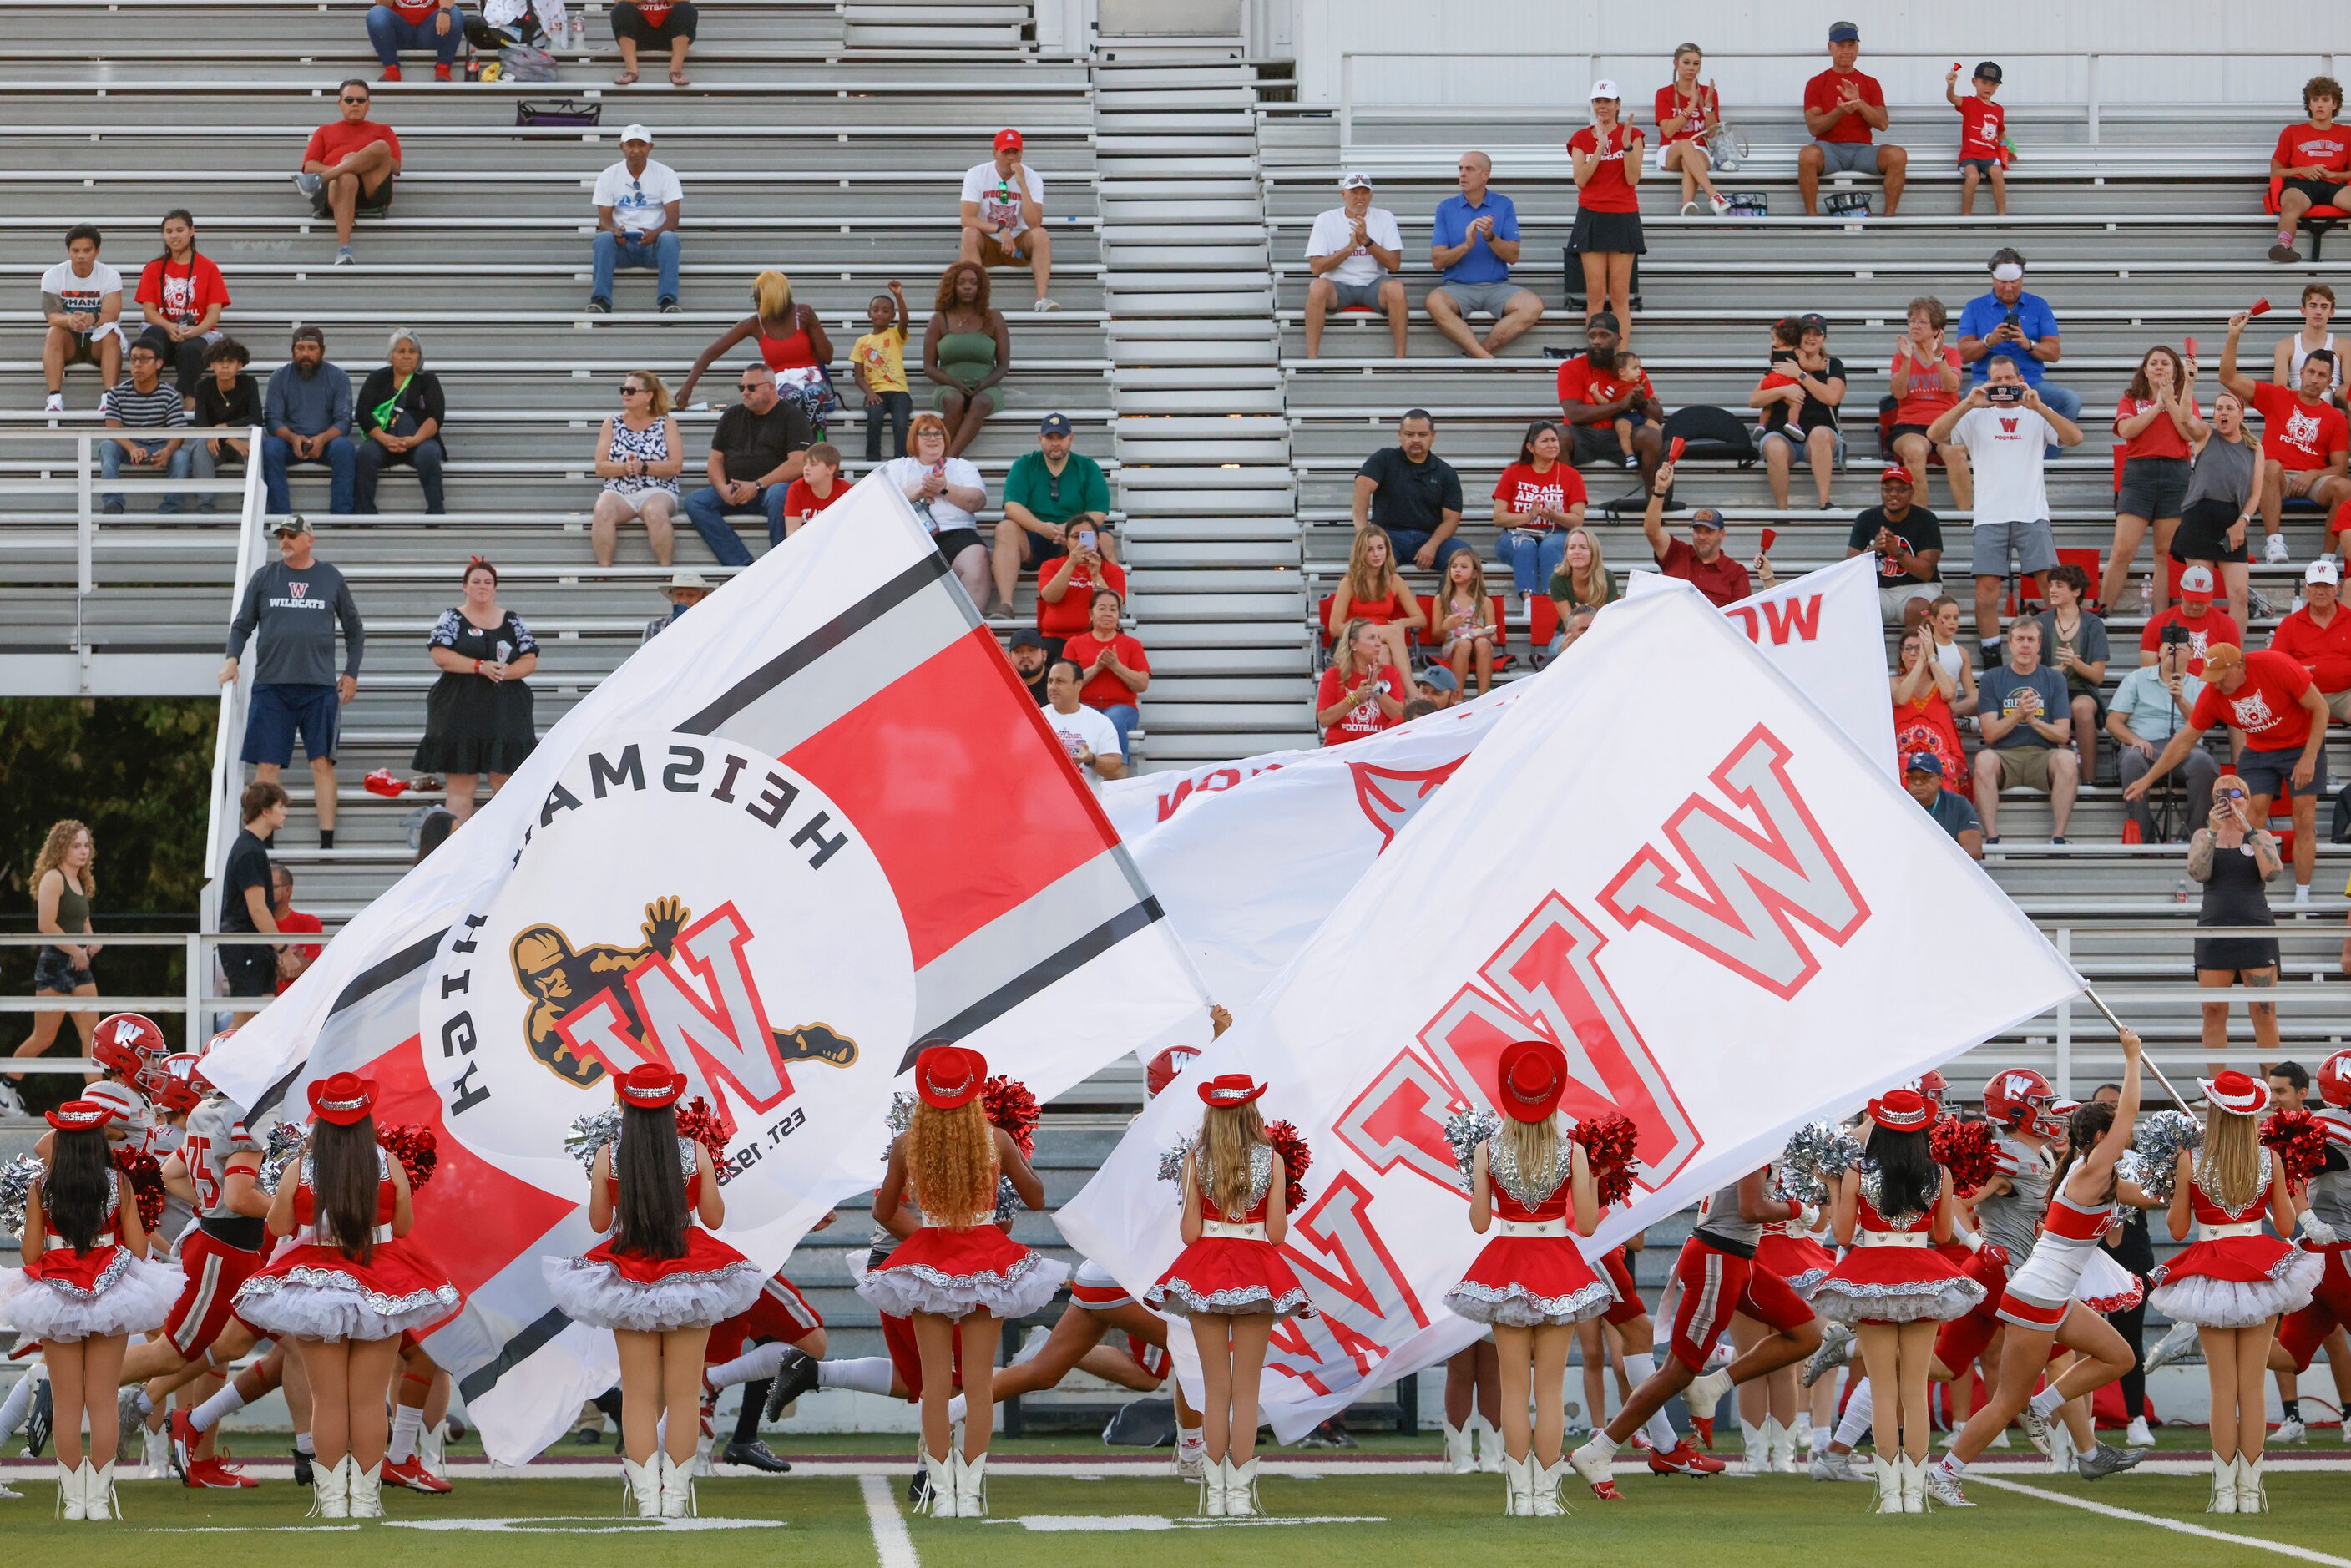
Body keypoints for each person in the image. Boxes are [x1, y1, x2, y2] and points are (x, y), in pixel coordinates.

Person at [1924, 1036, 2150, 1508]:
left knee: (2119, 1356)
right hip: (2033, 1292)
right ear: (2101, 1138)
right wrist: (2132, 1058)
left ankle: (2049, 1414)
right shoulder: (2088, 1167)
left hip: (2048, 1291)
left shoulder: (2083, 1169)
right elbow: (2127, 1115)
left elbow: (2149, 1196)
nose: (2127, 1136)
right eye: (2118, 1131)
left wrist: (2192, 1171)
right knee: (2006, 1398)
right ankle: (1944, 1474)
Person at [233, 1073, 459, 1518]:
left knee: (329, 1400)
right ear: (364, 1118)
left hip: (317, 1282)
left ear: (322, 1119)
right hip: (381, 1279)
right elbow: (404, 1227)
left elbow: (278, 1227)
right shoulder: (388, 1163)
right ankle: (368, 1499)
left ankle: (333, 1500)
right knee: (369, 1401)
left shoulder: (302, 1167)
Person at [543, 1064, 758, 1516]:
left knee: (638, 1393)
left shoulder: (608, 1155)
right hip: (691, 1269)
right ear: (671, 1107)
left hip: (628, 1271)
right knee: (684, 1395)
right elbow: (714, 1219)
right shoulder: (695, 1151)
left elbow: (600, 1223)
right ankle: (677, 1498)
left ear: (626, 1106)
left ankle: (645, 1499)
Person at [863, 1044, 1060, 1516]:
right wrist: (1008, 1169)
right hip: (985, 1256)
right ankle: (970, 1495)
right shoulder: (996, 1140)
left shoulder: (908, 1144)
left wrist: (928, 1229)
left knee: (934, 1383)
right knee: (976, 1382)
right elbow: (1036, 1198)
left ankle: (940, 1489)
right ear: (974, 1092)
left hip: (929, 1257)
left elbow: (882, 1211)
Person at [1569, 1166, 1823, 1490]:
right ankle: (1600, 1449)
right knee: (1677, 1371)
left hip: (1737, 1258)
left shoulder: (1751, 1138)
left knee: (1806, 1333)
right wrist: (1796, 1209)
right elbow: (1751, 1210)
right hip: (1718, 1258)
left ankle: (1712, 1385)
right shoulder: (1755, 1142)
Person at [1442, 1039, 1610, 1515]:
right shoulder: (1573, 1150)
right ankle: (1546, 1494)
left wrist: (1480, 1179)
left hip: (1507, 1260)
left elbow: (1479, 1222)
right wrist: (1596, 1176)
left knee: (1513, 1387)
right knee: (1550, 1389)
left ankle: (1519, 1495)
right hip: (1557, 1261)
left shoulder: (1486, 1150)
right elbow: (1590, 1223)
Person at [2149, 1071, 2323, 1512]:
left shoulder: (2191, 1159)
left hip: (2210, 1269)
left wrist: (2174, 1185)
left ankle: (2224, 1493)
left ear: (2214, 1109)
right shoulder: (2270, 1160)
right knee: (2253, 1387)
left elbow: (2178, 1228)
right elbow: (2285, 1227)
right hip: (2261, 1268)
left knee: (2222, 1389)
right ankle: (2251, 1490)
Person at [0, 1099, 178, 1520]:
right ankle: (98, 1500)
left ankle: (73, 1499)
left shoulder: (42, 1185)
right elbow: (137, 1248)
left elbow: (29, 1254)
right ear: (98, 1139)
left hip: (54, 1291)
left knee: (66, 1403)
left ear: (61, 1139)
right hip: (111, 1287)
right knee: (102, 1399)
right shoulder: (119, 1183)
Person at [1810, 1090, 1984, 1513]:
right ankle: (1914, 1493)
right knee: (1914, 1388)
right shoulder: (1938, 1173)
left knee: (1884, 1390)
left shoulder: (1857, 1172)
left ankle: (1890, 1497)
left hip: (1870, 1273)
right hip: (1923, 1274)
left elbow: (1845, 1235)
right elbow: (1944, 1237)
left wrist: (1832, 1187)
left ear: (1881, 1126)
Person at [1148, 1072, 1307, 1516]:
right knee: (1247, 1388)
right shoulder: (1272, 1160)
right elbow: (1276, 1235)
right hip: (1258, 1267)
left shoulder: (1196, 1160)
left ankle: (1214, 1494)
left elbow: (1188, 1233)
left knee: (1215, 1388)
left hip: (1206, 1271)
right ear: (1252, 1110)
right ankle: (1240, 1495)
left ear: (1212, 1114)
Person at [2126, 643, 2332, 904]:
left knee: (2304, 815)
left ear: (2240, 665)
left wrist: (2309, 757)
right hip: (2259, 749)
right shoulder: (2213, 694)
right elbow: (2184, 741)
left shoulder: (2276, 665)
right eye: (2212, 679)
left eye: (2222, 677)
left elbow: (2321, 708)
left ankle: (2303, 896)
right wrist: (2148, 778)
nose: (2218, 685)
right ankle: (2250, 892)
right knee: (2248, 816)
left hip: (2302, 743)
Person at [222, 515, 363, 847]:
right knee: (267, 765)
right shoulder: (265, 577)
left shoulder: (330, 577)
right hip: (272, 685)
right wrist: (232, 659)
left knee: (322, 763)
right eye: (280, 535)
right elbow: (242, 625)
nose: (284, 540)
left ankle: (327, 842)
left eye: (291, 535)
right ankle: (261, 841)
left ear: (309, 540)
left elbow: (355, 630)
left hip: (319, 687)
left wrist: (351, 672)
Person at [1928, 356, 2081, 655]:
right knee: (1986, 592)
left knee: (2049, 587)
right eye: (1996, 380)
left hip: (2032, 512)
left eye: (2008, 379)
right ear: (1988, 381)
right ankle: (1991, 651)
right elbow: (1935, 435)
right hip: (1990, 514)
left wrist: (2037, 406)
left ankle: (2056, 650)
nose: (2003, 385)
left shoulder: (2036, 411)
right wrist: (1969, 403)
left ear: (2019, 378)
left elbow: (2074, 437)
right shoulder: (1975, 414)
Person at [2219, 306, 2350, 567]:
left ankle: (2326, 557)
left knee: (2345, 488)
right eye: (2311, 372)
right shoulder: (2278, 396)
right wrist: (2233, 335)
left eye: (2322, 375)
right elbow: (2227, 377)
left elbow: (2340, 468)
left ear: (2329, 383)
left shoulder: (2335, 417)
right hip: (2274, 477)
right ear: (2300, 372)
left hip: (2311, 480)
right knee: (2269, 465)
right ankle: (2274, 542)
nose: (2314, 379)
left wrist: (2312, 475)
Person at [412, 559, 537, 821]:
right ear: (464, 587)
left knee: (506, 783)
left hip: (505, 711)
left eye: (488, 582)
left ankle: (508, 853)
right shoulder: (452, 617)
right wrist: (479, 666)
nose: (482, 587)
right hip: (460, 709)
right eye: (476, 581)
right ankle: (457, 854)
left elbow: (530, 659)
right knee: (460, 786)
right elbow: (440, 654)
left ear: (495, 588)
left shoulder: (513, 620)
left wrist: (505, 672)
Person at [0, 822, 103, 1115]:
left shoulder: (80, 881)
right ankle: (6, 1086)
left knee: (93, 1036)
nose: (83, 851)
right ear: (61, 848)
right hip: (55, 965)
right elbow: (46, 925)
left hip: (80, 966)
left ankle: (96, 1103)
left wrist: (92, 944)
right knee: (44, 1036)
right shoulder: (52, 879)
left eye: (86, 845)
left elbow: (84, 923)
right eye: (76, 846)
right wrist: (75, 951)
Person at [2186, 776, 2284, 1066]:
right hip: (2215, 932)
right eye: (2221, 794)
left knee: (2263, 1011)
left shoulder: (2261, 836)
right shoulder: (2203, 836)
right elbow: (2198, 873)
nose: (2229, 800)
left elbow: (2273, 873)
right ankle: (2217, 1093)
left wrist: (2249, 832)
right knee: (2213, 1011)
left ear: (2248, 799)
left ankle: (2271, 1089)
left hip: (2256, 931)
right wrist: (2215, 832)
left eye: (2236, 793)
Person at [2086, 1079, 2161, 1449]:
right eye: (2106, 1107)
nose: (2115, 1112)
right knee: (2082, 1340)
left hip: (2132, 1253)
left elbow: (2159, 1198)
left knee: (2130, 1337)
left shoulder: (2143, 1159)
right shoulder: (2085, 1163)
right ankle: (2083, 1423)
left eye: (2120, 1105)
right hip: (2089, 1252)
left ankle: (2136, 1416)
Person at [2103, 344, 2203, 615]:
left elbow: (2187, 434)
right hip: (2139, 474)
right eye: (2154, 363)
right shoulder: (2130, 399)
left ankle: (2161, 616)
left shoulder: (2185, 398)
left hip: (2175, 474)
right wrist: (2156, 404)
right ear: (2145, 371)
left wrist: (2169, 401)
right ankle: (2102, 610)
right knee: (2122, 550)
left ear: (2175, 370)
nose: (2160, 367)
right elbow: (2126, 429)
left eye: (2166, 363)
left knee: (2164, 554)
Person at [682, 366, 813, 567]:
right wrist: (722, 488)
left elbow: (798, 462)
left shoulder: (793, 416)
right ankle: (741, 564)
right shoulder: (732, 415)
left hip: (771, 491)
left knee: (780, 493)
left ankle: (783, 561)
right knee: (695, 502)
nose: (744, 392)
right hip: (735, 491)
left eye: (751, 387)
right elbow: (715, 459)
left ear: (770, 388)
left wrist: (758, 485)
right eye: (741, 387)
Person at [680, 270, 833, 427]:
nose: (757, 306)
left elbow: (827, 357)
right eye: (755, 300)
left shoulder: (803, 314)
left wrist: (814, 325)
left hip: (811, 378)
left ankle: (817, 448)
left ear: (775, 300)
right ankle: (792, 447)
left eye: (760, 301)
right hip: (780, 381)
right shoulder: (755, 324)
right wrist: (688, 386)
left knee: (813, 396)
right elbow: (711, 352)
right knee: (791, 397)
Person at [1957, 249, 2083, 441]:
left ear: (2023, 278)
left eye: (2013, 281)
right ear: (1992, 277)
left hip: (2029, 381)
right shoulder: (1975, 307)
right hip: (1988, 380)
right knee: (1968, 400)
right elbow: (1964, 355)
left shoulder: (2038, 305)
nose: (2008, 288)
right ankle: (1983, 452)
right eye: (2003, 282)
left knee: (2070, 401)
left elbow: (2054, 353)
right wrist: (1988, 341)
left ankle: (2043, 456)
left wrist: (2029, 344)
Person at [993, 412, 1113, 614]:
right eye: (1050, 438)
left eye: (1061, 438)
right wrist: (1041, 528)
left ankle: (1111, 602)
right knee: (1006, 528)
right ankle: (1006, 605)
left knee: (1104, 538)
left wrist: (1070, 530)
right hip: (1033, 538)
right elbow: (1012, 506)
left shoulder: (1087, 467)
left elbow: (1099, 512)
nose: (1055, 443)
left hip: (1075, 538)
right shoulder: (1025, 464)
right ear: (1040, 439)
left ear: (1071, 439)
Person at [1426, 152, 1543, 358]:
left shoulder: (1503, 204)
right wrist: (1467, 245)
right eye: (1460, 168)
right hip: (1457, 287)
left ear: (1485, 175)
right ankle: (1484, 357)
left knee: (1533, 305)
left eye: (1469, 169)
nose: (1462, 174)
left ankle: (1478, 354)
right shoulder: (1446, 207)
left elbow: (1513, 256)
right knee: (1434, 302)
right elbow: (1437, 261)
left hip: (1497, 287)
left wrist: (1490, 237)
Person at [1972, 619, 2076, 845]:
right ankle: (1992, 838)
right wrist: (2017, 715)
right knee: (1983, 760)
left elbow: (2062, 735)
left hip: (2042, 755)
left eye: (2031, 640)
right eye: (2020, 639)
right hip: (2004, 755)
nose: (2025, 645)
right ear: (2010, 644)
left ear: (2039, 645)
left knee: (2067, 759)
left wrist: (2033, 721)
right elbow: (1989, 734)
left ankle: (2058, 838)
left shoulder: (2054, 679)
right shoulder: (1992, 678)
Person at [2107, 637, 2215, 841]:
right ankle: (2143, 837)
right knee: (2131, 759)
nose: (2174, 648)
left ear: (2192, 654)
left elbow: (2202, 724)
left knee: (2204, 762)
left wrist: (2180, 700)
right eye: (2168, 644)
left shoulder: (2201, 685)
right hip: (2145, 746)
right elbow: (2113, 722)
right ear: (2159, 651)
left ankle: (2194, 836)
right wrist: (2135, 740)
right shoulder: (2136, 679)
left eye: (2182, 645)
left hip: (2186, 749)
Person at [1798, 22, 1905, 216]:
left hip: (1862, 150)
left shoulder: (1870, 83)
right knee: (1807, 155)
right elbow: (1814, 128)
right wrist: (1840, 111)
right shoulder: (1816, 83)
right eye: (1840, 45)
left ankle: (1889, 220)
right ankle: (1811, 219)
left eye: (1851, 45)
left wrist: (1860, 103)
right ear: (1830, 47)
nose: (1846, 51)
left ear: (1857, 48)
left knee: (1897, 155)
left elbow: (1882, 124)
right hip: (1829, 150)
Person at [882, 412, 988, 602]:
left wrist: (945, 488)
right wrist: (918, 493)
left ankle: (971, 629)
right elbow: (884, 503)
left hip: (957, 533)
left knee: (976, 556)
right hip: (912, 536)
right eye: (926, 434)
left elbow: (977, 501)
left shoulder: (961, 466)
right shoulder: (898, 467)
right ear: (914, 438)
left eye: (938, 433)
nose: (933, 438)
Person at [1554, 312, 1663, 493]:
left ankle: (1656, 501)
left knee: (1652, 436)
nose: (1596, 341)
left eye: (1604, 336)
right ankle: (1568, 500)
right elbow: (1574, 415)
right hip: (1583, 435)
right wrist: (1621, 405)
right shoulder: (1570, 368)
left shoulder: (1632, 370)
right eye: (1592, 336)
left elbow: (1658, 417)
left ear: (1618, 340)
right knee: (1557, 436)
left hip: (1622, 435)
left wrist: (1640, 402)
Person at [294, 80, 400, 266]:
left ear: (369, 104)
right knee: (347, 177)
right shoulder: (325, 131)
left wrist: (354, 160)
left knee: (381, 147)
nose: (355, 104)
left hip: (372, 187)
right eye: (349, 100)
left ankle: (321, 180)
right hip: (337, 189)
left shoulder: (383, 130)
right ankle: (344, 249)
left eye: (360, 100)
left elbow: (395, 167)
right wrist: (344, 170)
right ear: (340, 103)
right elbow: (309, 166)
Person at [1566, 83, 1645, 330]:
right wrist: (1600, 147)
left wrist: (1626, 145)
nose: (1602, 106)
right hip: (1591, 215)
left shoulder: (1633, 135)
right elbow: (1580, 180)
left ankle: (1621, 360)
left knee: (1620, 295)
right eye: (1598, 101)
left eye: (1608, 101)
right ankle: (1595, 360)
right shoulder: (1581, 137)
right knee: (1596, 294)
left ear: (1617, 104)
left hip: (1623, 214)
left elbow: (1633, 178)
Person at [1304, 172, 1406, 359]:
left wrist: (1367, 241)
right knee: (1317, 286)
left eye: (1364, 193)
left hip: (1373, 284)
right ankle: (1312, 359)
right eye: (1354, 192)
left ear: (1371, 195)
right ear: (1343, 194)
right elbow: (1316, 268)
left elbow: (1394, 265)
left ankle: (1400, 359)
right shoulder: (1325, 219)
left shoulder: (1385, 217)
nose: (1360, 198)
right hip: (1338, 285)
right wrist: (1350, 248)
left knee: (1396, 288)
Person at [1491, 422, 1588, 611]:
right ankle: (1529, 603)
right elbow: (1498, 517)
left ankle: (1550, 602)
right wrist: (1528, 516)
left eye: (1554, 440)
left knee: (1550, 546)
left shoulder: (1571, 475)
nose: (1552, 445)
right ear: (1531, 447)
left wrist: (1556, 516)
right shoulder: (1513, 472)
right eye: (1545, 441)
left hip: (1556, 534)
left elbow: (1578, 520)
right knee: (1525, 545)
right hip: (1516, 533)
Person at [1354, 410, 1466, 572]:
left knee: (1465, 562)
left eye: (1422, 435)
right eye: (1409, 434)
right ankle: (1379, 598)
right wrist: (1366, 536)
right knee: (1369, 562)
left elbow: (1452, 520)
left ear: (1433, 435)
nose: (1415, 440)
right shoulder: (1384, 459)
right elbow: (1362, 486)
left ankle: (1444, 598)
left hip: (1429, 538)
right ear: (1400, 434)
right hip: (1388, 537)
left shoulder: (1446, 472)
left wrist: (1432, 545)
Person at [588, 126, 683, 315]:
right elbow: (604, 221)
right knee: (603, 239)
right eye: (631, 145)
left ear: (650, 147)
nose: (636, 150)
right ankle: (600, 301)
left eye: (642, 145)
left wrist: (655, 233)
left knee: (670, 239)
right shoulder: (608, 176)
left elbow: (673, 220)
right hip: (623, 244)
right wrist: (615, 232)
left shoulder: (666, 174)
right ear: (621, 146)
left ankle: (668, 301)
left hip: (654, 244)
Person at [1752, 316, 1844, 510]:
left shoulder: (1832, 364)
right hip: (1783, 435)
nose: (1811, 338)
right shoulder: (1784, 359)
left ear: (1823, 339)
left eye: (1817, 334)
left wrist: (1800, 375)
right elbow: (1754, 400)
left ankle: (1824, 502)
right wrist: (1782, 391)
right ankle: (1782, 510)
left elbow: (1832, 398)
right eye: (1807, 333)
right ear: (1797, 336)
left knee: (1819, 434)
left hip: (1821, 438)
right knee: (1774, 446)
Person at [261, 326, 355, 516]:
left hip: (326, 443)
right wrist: (293, 438)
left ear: (322, 350)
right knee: (270, 448)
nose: (306, 354)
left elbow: (344, 421)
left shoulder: (339, 377)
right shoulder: (279, 377)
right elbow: (272, 420)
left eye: (312, 348)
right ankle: (281, 516)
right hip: (290, 442)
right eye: (300, 348)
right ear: (292, 350)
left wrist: (322, 438)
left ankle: (341, 516)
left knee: (345, 448)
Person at [133, 210, 229, 396]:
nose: (174, 236)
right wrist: (169, 327)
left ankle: (187, 398)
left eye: (179, 230)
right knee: (152, 334)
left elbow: (214, 313)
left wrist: (195, 330)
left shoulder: (209, 268)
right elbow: (149, 311)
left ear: (192, 231)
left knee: (190, 348)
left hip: (197, 334)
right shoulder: (153, 268)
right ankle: (147, 394)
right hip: (165, 332)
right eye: (169, 231)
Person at [1887, 296, 1970, 509]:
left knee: (1956, 451)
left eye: (1922, 322)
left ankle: (1969, 515)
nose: (1915, 326)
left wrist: (1938, 358)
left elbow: (1951, 386)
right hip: (1910, 425)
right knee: (1914, 451)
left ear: (1937, 329)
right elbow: (1898, 394)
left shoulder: (1950, 354)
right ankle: (1921, 519)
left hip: (1946, 423)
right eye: (1912, 321)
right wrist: (1906, 361)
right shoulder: (1901, 356)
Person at [594, 368, 683, 566]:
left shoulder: (666, 423)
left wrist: (643, 467)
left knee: (656, 511)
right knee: (602, 509)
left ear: (648, 396)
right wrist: (626, 468)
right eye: (623, 390)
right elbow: (600, 467)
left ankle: (665, 570)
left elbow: (676, 466)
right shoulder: (612, 423)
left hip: (658, 489)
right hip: (619, 490)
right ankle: (603, 571)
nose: (625, 394)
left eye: (631, 390)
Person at [352, 328, 446, 515]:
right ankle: (365, 512)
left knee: (429, 455)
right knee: (365, 454)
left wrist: (415, 439)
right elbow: (363, 413)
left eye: (412, 352)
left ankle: (436, 510)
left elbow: (436, 417)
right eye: (401, 351)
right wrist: (384, 439)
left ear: (419, 356)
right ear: (391, 355)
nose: (406, 356)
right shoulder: (376, 378)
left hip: (419, 442)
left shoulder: (428, 380)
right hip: (384, 441)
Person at [960, 129, 1055, 311]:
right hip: (988, 242)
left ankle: (1041, 299)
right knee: (969, 234)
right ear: (995, 152)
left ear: (1022, 152)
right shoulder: (977, 174)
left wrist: (1022, 185)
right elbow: (966, 219)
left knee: (1041, 235)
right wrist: (1000, 229)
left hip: (1018, 247)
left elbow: (1035, 223)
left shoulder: (1032, 177)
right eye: (1006, 152)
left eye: (1015, 152)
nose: (1011, 158)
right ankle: (973, 304)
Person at [1641, 462, 1759, 607]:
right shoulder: (1678, 553)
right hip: (1673, 625)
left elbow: (1741, 616)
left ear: (1722, 534)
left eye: (1709, 531)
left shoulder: (1735, 572)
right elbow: (1652, 531)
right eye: (1698, 531)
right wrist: (1660, 489)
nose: (1702, 536)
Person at [924, 261, 1010, 458]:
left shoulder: (994, 318)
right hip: (949, 386)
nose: (968, 286)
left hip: (986, 386)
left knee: (979, 402)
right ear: (952, 286)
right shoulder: (939, 319)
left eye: (973, 282)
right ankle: (943, 459)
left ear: (980, 287)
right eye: (961, 282)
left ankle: (947, 459)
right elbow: (928, 367)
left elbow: (1003, 364)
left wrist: (984, 384)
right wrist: (952, 382)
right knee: (955, 400)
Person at [216, 781, 289, 1011]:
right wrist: (283, 949)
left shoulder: (251, 847)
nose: (285, 811)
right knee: (245, 1021)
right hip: (245, 945)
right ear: (265, 811)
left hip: (252, 946)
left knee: (263, 1018)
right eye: (280, 806)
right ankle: (221, 1049)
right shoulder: (249, 851)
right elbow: (257, 909)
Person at [2035, 563, 2110, 783]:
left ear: (2076, 592)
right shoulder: (2041, 622)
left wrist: (2076, 664)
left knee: (2082, 707)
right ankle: (2054, 779)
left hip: (2081, 689)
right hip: (2048, 689)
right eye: (2051, 585)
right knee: (2054, 706)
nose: (2052, 590)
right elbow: (2031, 670)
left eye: (2059, 585)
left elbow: (2097, 676)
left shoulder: (2093, 625)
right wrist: (2056, 671)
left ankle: (2088, 780)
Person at [97, 337, 191, 514]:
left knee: (181, 456)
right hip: (130, 445)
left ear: (159, 363)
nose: (138, 364)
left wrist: (167, 451)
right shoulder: (118, 393)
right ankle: (113, 503)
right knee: (107, 446)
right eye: (133, 359)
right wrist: (132, 448)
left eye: (144, 359)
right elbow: (112, 429)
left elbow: (178, 433)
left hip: (160, 446)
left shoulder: (169, 395)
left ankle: (170, 511)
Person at [1031, 477, 1126, 646]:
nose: (1081, 542)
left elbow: (1115, 605)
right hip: (1055, 638)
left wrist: (1096, 576)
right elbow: (1050, 597)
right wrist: (1071, 563)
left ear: (1097, 540)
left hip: (1097, 637)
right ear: (1066, 541)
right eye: (1076, 537)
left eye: (1087, 537)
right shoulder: (1051, 566)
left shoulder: (1112, 571)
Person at [40, 223, 123, 413]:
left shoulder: (110, 275)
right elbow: (51, 316)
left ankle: (109, 396)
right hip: (69, 340)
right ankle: (54, 397)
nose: (81, 256)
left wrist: (92, 318)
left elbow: (112, 314)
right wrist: (70, 321)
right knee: (54, 332)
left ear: (97, 251)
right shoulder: (53, 275)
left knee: (110, 331)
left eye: (87, 250)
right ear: (68, 251)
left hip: (97, 341)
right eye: (75, 250)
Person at [2268, 75, 2350, 265]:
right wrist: (2302, 170)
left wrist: (2334, 174)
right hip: (2300, 184)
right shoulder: (2292, 132)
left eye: (2325, 100)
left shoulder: (2347, 133)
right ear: (2309, 105)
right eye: (2315, 100)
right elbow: (2276, 172)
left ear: (2335, 104)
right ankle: (2284, 246)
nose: (2320, 105)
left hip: (2334, 185)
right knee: (2291, 205)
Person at [1062, 588, 1149, 761]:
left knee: (1112, 718)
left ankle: (1118, 768)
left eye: (1113, 609)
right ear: (1090, 614)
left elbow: (1142, 684)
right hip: (1085, 705)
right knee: (1086, 718)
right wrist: (1096, 667)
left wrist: (1116, 666)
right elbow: (1066, 684)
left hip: (1123, 708)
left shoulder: (1132, 644)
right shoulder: (1075, 643)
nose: (1108, 613)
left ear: (1118, 615)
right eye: (1102, 608)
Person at [1329, 522, 1425, 680]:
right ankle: (1410, 694)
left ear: (1387, 550)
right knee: (1392, 634)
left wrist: (1402, 623)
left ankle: (1386, 700)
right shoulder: (1349, 583)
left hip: (1381, 643)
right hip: (1352, 643)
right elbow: (1335, 628)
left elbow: (1421, 619)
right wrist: (1365, 632)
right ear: (1361, 553)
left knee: (1384, 651)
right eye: (1370, 549)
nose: (1376, 554)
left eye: (1381, 548)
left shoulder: (1395, 581)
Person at [1848, 466, 1942, 625]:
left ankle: (1913, 649)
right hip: (1879, 590)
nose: (1893, 494)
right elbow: (1849, 565)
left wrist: (1897, 552)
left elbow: (1926, 572)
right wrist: (1872, 550)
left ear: (1911, 491)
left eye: (1901, 489)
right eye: (1888, 489)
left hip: (1918, 588)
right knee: (1856, 606)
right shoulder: (1866, 518)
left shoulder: (1926, 519)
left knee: (1919, 609)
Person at [2272, 557, 2351, 722]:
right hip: (2304, 696)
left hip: (2346, 695)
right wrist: (2294, 672)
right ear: (2306, 588)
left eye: (2327, 586)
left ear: (2337, 588)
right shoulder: (2290, 624)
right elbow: (2274, 666)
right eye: (2315, 586)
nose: (2320, 592)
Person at [1893, 625, 1969, 798]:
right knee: (1904, 765)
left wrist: (1931, 659)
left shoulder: (1946, 681)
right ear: (1901, 654)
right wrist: (1920, 662)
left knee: (1944, 765)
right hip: (1903, 755)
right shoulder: (1892, 682)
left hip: (1942, 754)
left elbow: (1949, 693)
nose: (1913, 653)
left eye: (1919, 648)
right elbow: (1901, 698)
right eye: (1909, 648)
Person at [1656, 43, 1730, 215]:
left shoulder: (1708, 92)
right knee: (1685, 144)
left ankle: (1687, 206)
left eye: (1696, 64)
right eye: (1686, 62)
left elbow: (1711, 133)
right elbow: (1668, 132)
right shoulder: (1664, 93)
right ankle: (1714, 195)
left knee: (1689, 158)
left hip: (1700, 151)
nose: (1691, 68)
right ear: (1676, 64)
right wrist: (1691, 107)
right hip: (1671, 150)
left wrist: (1708, 107)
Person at [190, 337, 260, 513]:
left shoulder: (249, 383)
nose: (225, 366)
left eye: (231, 361)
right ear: (211, 365)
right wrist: (227, 437)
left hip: (241, 442)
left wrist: (225, 428)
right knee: (200, 444)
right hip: (216, 444)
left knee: (254, 438)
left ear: (240, 365)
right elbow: (201, 422)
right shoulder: (203, 386)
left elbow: (257, 417)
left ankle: (252, 504)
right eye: (220, 361)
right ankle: (205, 506)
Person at [2139, 564, 2242, 676]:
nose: (2195, 606)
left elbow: (2234, 669)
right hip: (2170, 686)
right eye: (2191, 600)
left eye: (2201, 601)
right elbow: (2147, 673)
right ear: (2181, 592)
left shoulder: (2225, 624)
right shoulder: (2158, 623)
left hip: (2210, 688)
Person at [1317, 617, 1406, 746]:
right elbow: (1324, 719)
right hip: (1340, 750)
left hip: (1378, 750)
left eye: (1378, 637)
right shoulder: (1333, 675)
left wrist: (1376, 688)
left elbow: (1400, 715)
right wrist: (1355, 698)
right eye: (1371, 638)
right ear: (1353, 644)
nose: (1379, 643)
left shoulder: (1390, 673)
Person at [852, 281, 913, 462]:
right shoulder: (862, 342)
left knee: (901, 422)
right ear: (868, 313)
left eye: (886, 311)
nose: (880, 313)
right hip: (875, 393)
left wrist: (899, 296)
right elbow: (858, 376)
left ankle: (901, 461)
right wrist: (869, 393)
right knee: (874, 417)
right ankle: (872, 461)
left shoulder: (895, 334)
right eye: (876, 310)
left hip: (899, 392)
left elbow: (905, 320)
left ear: (892, 316)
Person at [1040, 658, 1125, 785]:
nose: (1052, 687)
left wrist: (1090, 759)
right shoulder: (1035, 718)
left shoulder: (1100, 722)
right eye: (1050, 681)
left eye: (1060, 682)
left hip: (1084, 803)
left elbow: (1115, 769)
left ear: (1078, 685)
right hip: (1042, 801)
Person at [1429, 551, 1499, 695]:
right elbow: (1435, 637)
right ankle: (1457, 696)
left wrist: (1482, 631)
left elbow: (1494, 638)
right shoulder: (1441, 600)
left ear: (1475, 573)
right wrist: (1446, 627)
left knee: (1483, 643)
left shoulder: (1485, 602)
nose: (1457, 570)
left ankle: (1483, 696)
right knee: (1464, 644)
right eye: (1454, 566)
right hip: (1454, 646)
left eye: (1463, 566)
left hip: (1479, 645)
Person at [2269, 282, 2345, 412]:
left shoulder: (2343, 346)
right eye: (2313, 306)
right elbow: (2280, 387)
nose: (2318, 312)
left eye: (2324, 307)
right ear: (2303, 310)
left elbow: (2348, 385)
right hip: (2299, 398)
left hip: (2332, 397)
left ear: (2331, 312)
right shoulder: (2286, 346)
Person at [1946, 62, 2008, 216]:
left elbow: (2000, 133)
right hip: (1969, 155)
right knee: (1973, 177)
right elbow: (1952, 98)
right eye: (1984, 82)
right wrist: (1951, 86)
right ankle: (1966, 218)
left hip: (1989, 155)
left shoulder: (1998, 109)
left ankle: (2002, 216)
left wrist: (2007, 150)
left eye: (1993, 84)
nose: (1988, 87)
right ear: (1974, 82)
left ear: (1997, 87)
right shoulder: (1969, 102)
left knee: (1997, 173)